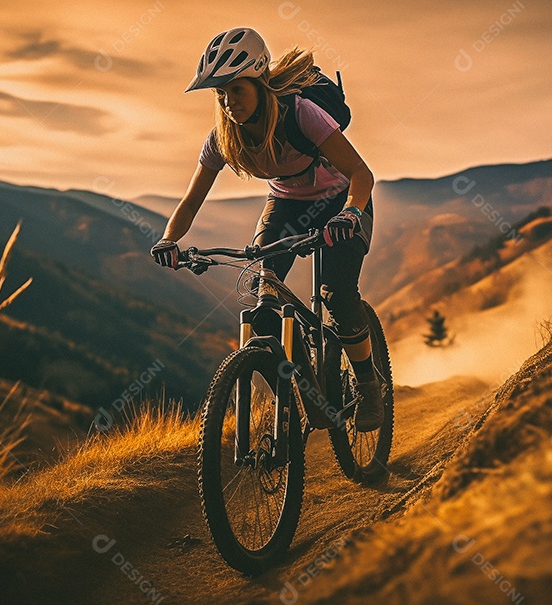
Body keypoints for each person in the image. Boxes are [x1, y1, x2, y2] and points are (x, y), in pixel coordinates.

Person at [150, 27, 383, 431]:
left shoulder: (300, 113)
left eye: (236, 90)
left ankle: (367, 384)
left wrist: (350, 214)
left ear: (260, 83)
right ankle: (303, 397)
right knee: (264, 306)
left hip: (342, 199)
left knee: (338, 295)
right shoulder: (222, 138)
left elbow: (362, 173)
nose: (228, 102)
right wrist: (169, 240)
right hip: (286, 206)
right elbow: (190, 202)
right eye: (220, 94)